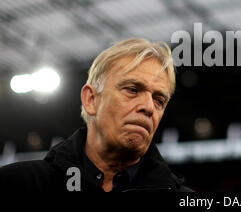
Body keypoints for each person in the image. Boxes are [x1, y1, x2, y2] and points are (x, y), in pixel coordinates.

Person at [0, 38, 192, 192]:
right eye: (132, 90)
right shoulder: (16, 184)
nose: (149, 107)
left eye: (159, 100)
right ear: (91, 99)